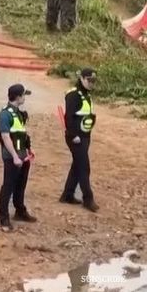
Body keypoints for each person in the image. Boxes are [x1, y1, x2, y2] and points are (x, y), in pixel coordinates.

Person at [0, 83, 36, 231]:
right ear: (18, 96)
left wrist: (28, 151)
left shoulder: (18, 113)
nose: (25, 97)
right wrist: (14, 156)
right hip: (12, 157)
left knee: (20, 185)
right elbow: (6, 137)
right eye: (24, 95)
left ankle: (20, 211)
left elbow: (21, 135)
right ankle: (4, 218)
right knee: (8, 186)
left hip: (22, 156)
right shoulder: (5, 114)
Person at [61, 68, 99, 212]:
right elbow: (68, 117)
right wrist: (73, 135)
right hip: (76, 138)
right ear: (82, 78)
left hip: (85, 136)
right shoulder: (73, 95)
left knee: (77, 165)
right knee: (84, 167)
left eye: (93, 81)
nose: (91, 83)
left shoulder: (86, 95)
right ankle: (88, 199)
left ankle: (67, 194)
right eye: (89, 80)